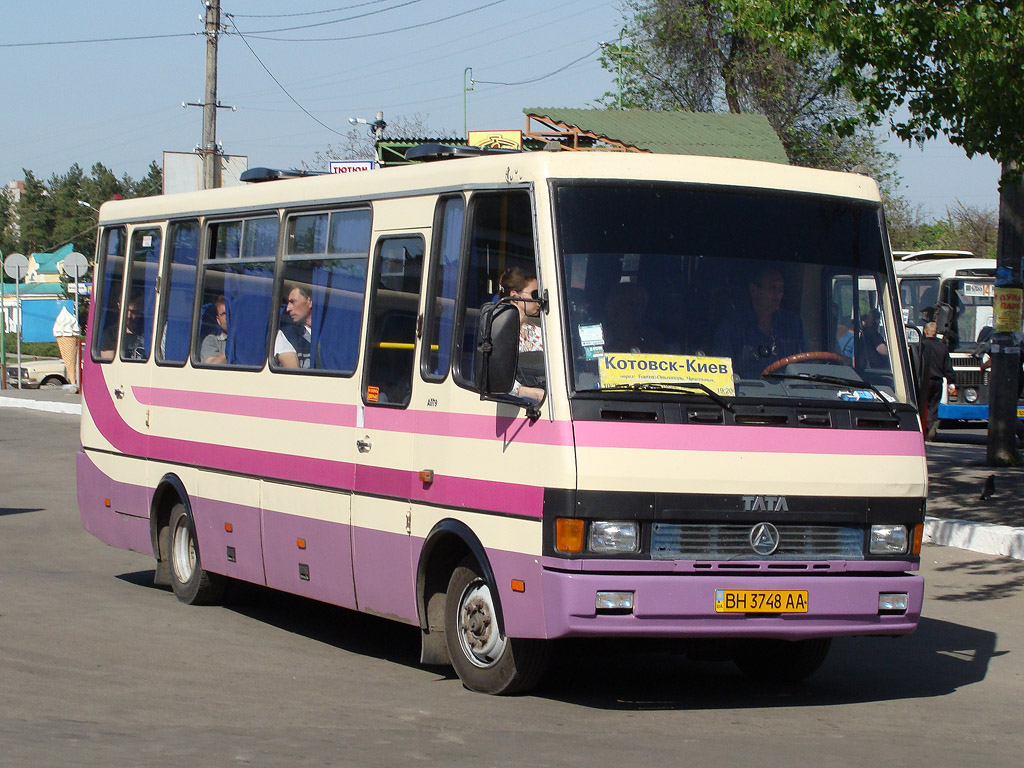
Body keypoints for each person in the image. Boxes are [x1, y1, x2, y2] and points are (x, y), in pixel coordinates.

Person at [713, 266, 805, 378]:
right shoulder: (732, 327)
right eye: (772, 288)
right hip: (745, 394)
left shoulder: (793, 324)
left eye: (781, 288)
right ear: (753, 290)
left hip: (789, 393)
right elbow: (721, 372)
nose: (779, 293)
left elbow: (805, 366)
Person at [498, 266, 544, 401]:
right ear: (515, 296)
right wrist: (536, 394)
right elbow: (499, 378)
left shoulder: (541, 332)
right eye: (535, 294)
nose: (539, 300)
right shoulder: (498, 332)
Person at [919, 316, 956, 441]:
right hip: (937, 381)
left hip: (924, 381)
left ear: (925, 331)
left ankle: (923, 429)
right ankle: (932, 424)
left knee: (922, 405)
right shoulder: (943, 347)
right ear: (936, 333)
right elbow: (948, 367)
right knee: (933, 406)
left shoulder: (921, 346)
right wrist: (951, 383)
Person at [275, 284, 313, 369]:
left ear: (310, 301)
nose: (288, 308)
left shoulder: (327, 334)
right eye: (287, 303)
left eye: (293, 302)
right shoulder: (286, 335)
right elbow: (294, 374)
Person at [200, 296, 229, 365]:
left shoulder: (247, 339)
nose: (227, 317)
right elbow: (210, 364)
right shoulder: (211, 340)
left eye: (229, 312)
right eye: (223, 314)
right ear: (218, 320)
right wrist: (234, 348)